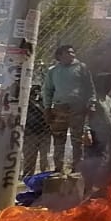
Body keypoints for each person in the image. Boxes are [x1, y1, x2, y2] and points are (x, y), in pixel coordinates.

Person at [42, 44, 95, 174]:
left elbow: (90, 88)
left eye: (73, 52)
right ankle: (58, 169)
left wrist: (92, 102)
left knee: (77, 140)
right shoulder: (53, 71)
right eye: (68, 52)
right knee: (59, 140)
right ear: (60, 56)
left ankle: (77, 169)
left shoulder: (82, 68)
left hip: (77, 108)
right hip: (59, 108)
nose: (72, 54)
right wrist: (47, 108)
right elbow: (47, 90)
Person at [21, 81, 50, 177]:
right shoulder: (26, 102)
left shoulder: (45, 101)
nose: (35, 92)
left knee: (44, 158)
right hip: (30, 133)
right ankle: (27, 178)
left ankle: (44, 177)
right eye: (33, 90)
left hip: (44, 133)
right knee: (29, 158)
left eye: (37, 90)